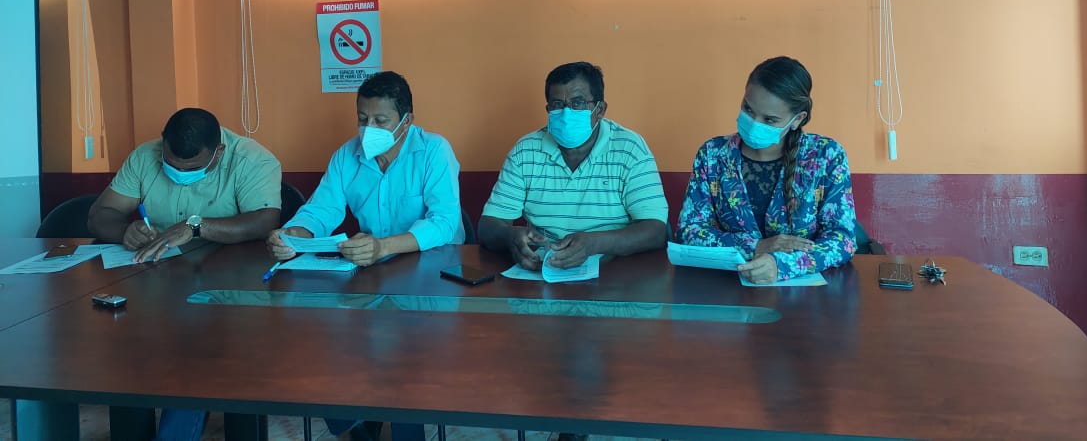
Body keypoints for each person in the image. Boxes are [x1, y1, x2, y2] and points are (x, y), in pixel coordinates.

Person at [267, 70, 462, 441]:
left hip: (432, 273)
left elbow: (444, 223)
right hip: (372, 272)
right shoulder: (347, 156)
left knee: (409, 360)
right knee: (335, 344)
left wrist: (383, 246)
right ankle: (359, 422)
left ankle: (403, 427)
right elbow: (321, 210)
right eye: (362, 119)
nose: (368, 129)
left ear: (406, 120)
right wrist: (294, 234)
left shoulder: (434, 150)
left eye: (380, 120)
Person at [87, 107, 281, 441]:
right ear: (163, 143)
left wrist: (196, 227)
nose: (178, 172)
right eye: (170, 164)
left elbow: (265, 221)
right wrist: (124, 230)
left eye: (191, 169)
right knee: (128, 350)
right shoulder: (144, 156)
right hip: (157, 284)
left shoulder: (252, 160)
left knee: (201, 354)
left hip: (230, 290)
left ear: (218, 151)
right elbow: (99, 215)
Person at [676, 56, 857, 283]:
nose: (754, 123)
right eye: (748, 109)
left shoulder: (825, 156)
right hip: (727, 288)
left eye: (770, 120)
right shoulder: (713, 154)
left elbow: (843, 240)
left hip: (803, 294)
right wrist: (756, 246)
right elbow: (688, 230)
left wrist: (782, 265)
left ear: (797, 119)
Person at [479, 61, 668, 272]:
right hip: (544, 269)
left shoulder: (630, 149)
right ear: (548, 109)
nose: (566, 113)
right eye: (557, 104)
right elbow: (488, 225)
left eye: (578, 103)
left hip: (616, 273)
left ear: (600, 110)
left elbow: (656, 231)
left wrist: (595, 244)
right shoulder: (525, 151)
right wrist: (510, 236)